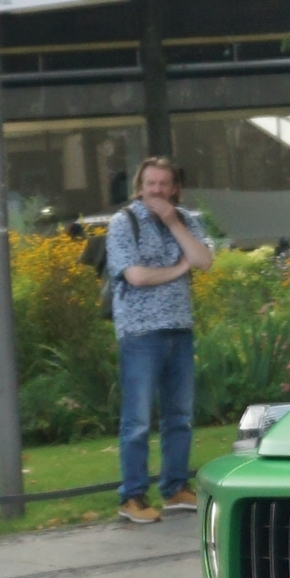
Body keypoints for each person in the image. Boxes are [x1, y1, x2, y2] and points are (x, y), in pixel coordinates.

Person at [105, 156, 214, 525]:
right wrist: (178, 268)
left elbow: (204, 260)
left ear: (174, 188)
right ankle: (132, 496)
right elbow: (135, 276)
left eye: (164, 184)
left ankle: (175, 488)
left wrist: (172, 222)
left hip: (179, 329)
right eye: (150, 184)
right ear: (140, 186)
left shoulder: (187, 220)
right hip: (140, 332)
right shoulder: (124, 223)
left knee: (179, 416)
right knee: (136, 419)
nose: (157, 191)